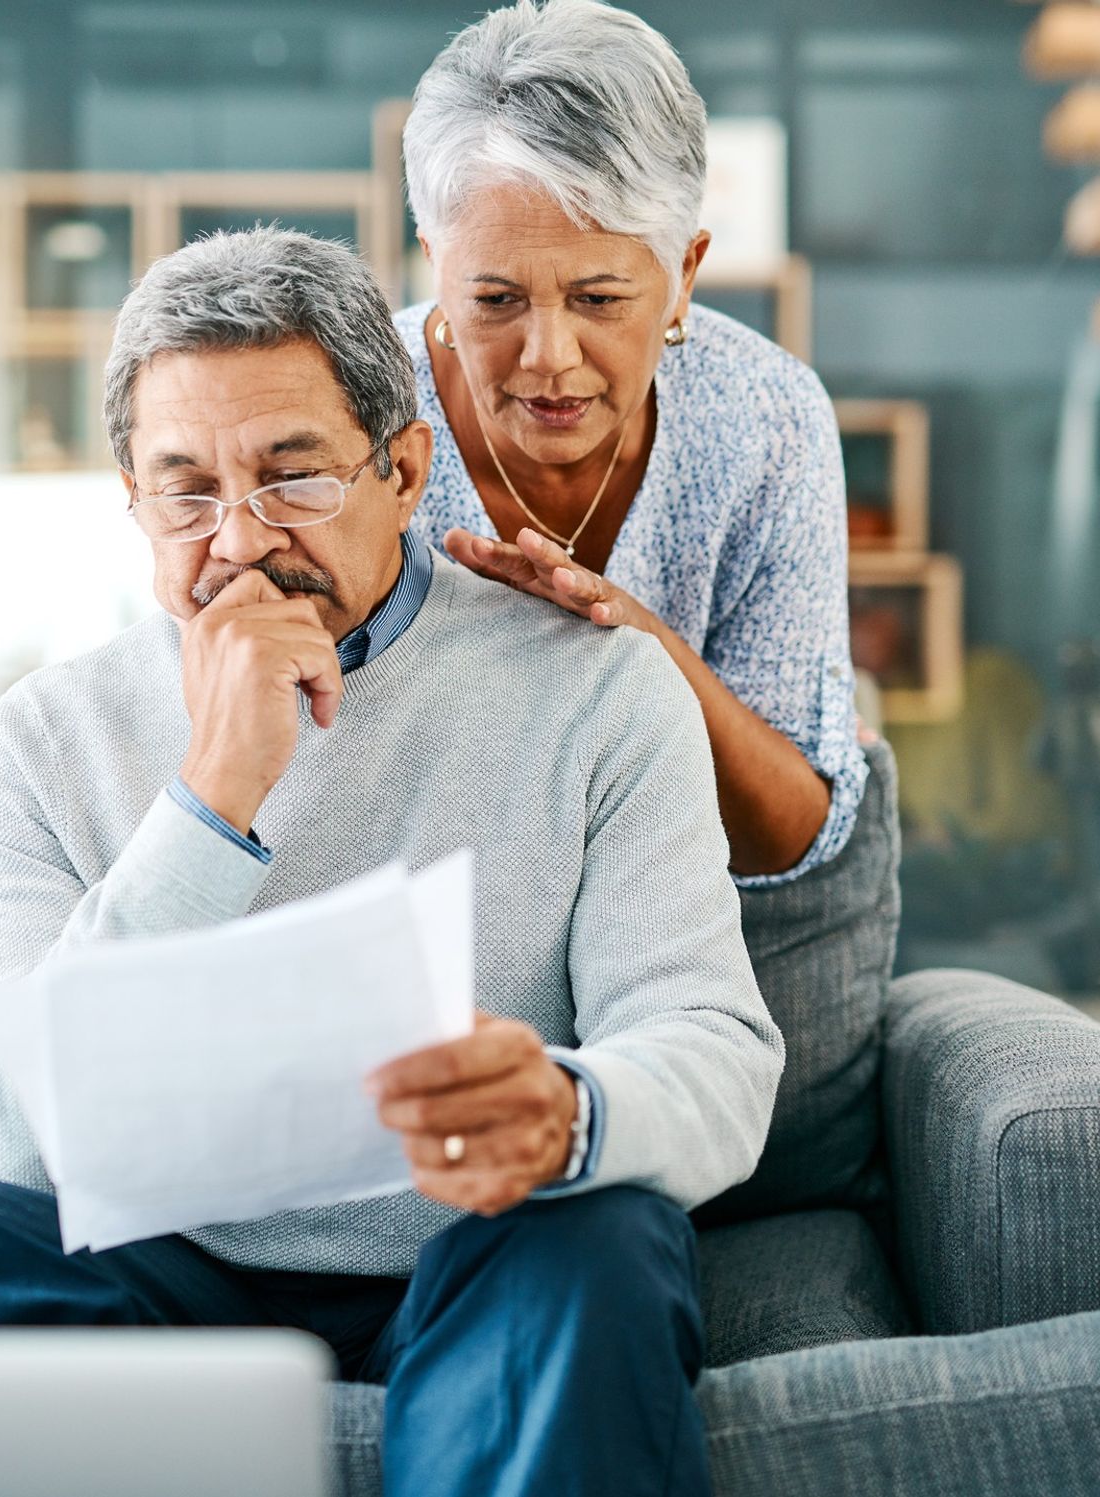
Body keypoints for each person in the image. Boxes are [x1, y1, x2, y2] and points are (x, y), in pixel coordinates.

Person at [0, 227, 785, 1497]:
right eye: (184, 490)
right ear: (131, 502)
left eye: (292, 478)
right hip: (159, 1266)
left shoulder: (599, 691)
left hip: (479, 1259)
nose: (236, 541)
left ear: (402, 468)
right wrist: (214, 792)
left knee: (607, 1238)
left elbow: (714, 1052)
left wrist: (567, 1112)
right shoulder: (41, 737)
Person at [398, 0, 865, 883]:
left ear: (683, 274)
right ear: (436, 263)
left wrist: (635, 647)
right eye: (495, 299)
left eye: (599, 300)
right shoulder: (354, 404)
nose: (548, 359)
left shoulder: (765, 418)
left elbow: (792, 836)